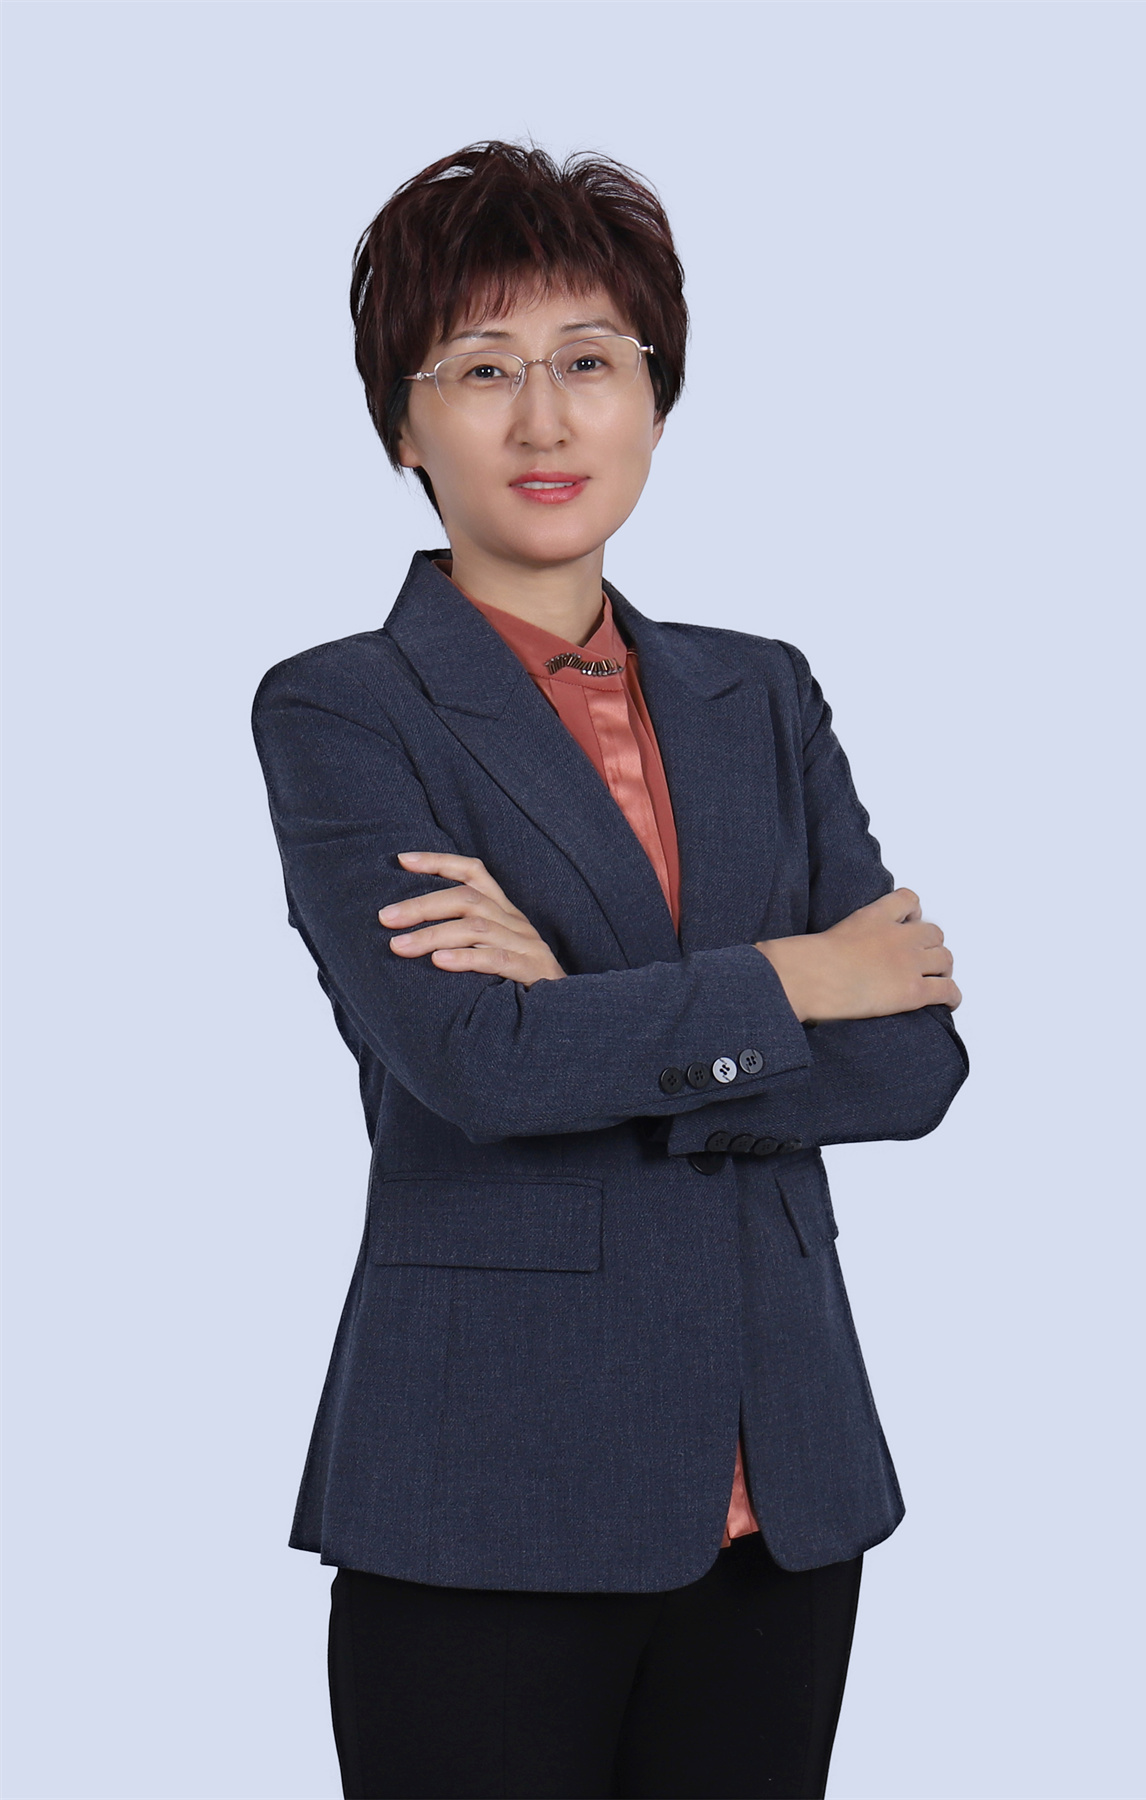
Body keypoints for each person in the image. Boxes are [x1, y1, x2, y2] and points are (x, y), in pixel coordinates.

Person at [251, 139, 968, 1800]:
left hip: (781, 1484)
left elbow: (916, 1064)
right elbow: (476, 1065)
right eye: (480, 370)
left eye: (589, 362)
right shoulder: (344, 708)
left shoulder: (758, 690)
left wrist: (585, 1010)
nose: (544, 421)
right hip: (488, 1488)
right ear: (402, 425)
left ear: (655, 395)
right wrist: (797, 976)